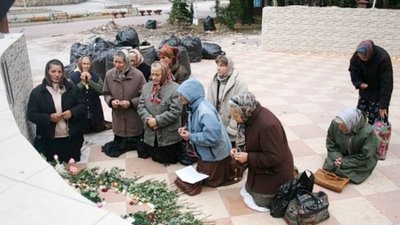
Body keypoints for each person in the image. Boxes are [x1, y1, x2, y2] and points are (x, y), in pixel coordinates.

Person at [228, 92, 294, 209]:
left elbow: (274, 157)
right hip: (260, 168)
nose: (234, 119)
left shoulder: (267, 125)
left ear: (245, 111)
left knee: (261, 201)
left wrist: (248, 157)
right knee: (249, 190)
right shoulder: (248, 118)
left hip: (274, 172)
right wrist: (237, 150)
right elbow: (248, 141)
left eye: (235, 115)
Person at [177, 78, 233, 188]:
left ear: (191, 95)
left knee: (210, 182)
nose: (180, 98)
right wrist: (186, 128)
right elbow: (196, 125)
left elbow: (212, 137)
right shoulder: (193, 106)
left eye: (182, 95)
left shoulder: (204, 111)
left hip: (215, 155)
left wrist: (190, 136)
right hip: (207, 153)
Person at [27, 59, 87, 163]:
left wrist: (72, 112)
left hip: (71, 139)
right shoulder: (37, 93)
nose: (57, 75)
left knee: (73, 166)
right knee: (56, 167)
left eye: (59, 72)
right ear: (47, 73)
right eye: (53, 71)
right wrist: (49, 118)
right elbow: (31, 114)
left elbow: (83, 105)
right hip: (50, 141)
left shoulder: (72, 88)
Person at [102, 49, 147, 157]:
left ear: (126, 62)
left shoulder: (138, 75)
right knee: (118, 143)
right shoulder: (109, 75)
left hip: (134, 119)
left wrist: (131, 103)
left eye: (120, 62)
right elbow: (106, 93)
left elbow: (145, 96)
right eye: (115, 61)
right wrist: (111, 101)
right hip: (118, 118)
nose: (117, 65)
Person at [138, 61, 183, 164]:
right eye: (152, 74)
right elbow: (141, 106)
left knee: (167, 159)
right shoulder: (146, 87)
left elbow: (175, 111)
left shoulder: (176, 89)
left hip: (168, 138)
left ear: (165, 73)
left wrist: (157, 121)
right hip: (151, 134)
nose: (154, 78)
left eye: (157, 75)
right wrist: (149, 120)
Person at [322, 107, 379, 184]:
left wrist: (344, 162)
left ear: (351, 123)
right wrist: (337, 157)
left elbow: (365, 156)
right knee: (329, 167)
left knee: (341, 172)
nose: (340, 128)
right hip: (342, 154)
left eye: (343, 126)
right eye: (339, 125)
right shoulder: (335, 123)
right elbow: (331, 144)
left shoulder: (367, 133)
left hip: (359, 160)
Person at [348, 40, 393, 124]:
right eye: (360, 58)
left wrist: (384, 105)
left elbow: (387, 83)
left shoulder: (383, 58)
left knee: (378, 117)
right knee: (361, 115)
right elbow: (353, 69)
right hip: (364, 89)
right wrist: (359, 83)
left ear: (370, 54)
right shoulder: (357, 55)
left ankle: (376, 135)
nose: (362, 60)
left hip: (378, 91)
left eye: (364, 58)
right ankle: (362, 134)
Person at [207, 55, 248, 147]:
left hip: (232, 123)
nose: (218, 68)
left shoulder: (240, 82)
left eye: (222, 66)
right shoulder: (214, 80)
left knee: (232, 150)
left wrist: (232, 127)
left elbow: (241, 107)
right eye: (217, 65)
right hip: (217, 123)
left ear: (229, 66)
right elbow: (208, 102)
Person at [70, 56, 110, 133]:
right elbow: (72, 92)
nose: (86, 66)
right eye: (84, 64)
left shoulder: (95, 76)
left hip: (95, 112)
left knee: (97, 128)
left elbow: (102, 90)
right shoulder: (73, 77)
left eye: (88, 64)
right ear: (80, 64)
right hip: (81, 113)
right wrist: (82, 83)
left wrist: (90, 82)